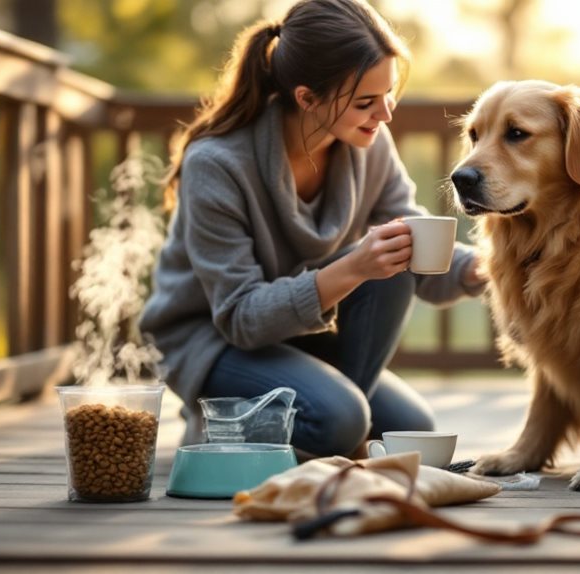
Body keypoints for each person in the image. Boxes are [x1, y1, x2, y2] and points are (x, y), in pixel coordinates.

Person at [139, 0, 484, 456]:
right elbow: (241, 319)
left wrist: (478, 269)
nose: (385, 116)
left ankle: (332, 426)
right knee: (342, 420)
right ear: (307, 98)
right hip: (214, 342)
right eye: (366, 102)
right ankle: (224, 424)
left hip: (305, 337)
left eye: (388, 95)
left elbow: (413, 234)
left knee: (408, 427)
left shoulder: (368, 144)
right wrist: (354, 268)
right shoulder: (217, 165)